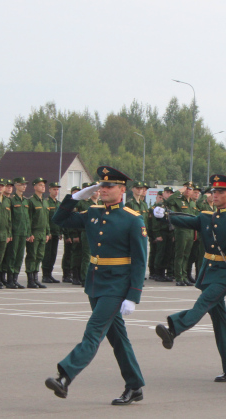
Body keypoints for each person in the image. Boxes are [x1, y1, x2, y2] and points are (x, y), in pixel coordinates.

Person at [45, 166, 147, 406]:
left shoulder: (133, 219)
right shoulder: (92, 213)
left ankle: (65, 377)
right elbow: (59, 220)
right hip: (96, 281)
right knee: (118, 339)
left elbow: (140, 260)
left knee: (93, 333)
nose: (103, 189)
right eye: (101, 185)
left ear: (122, 190)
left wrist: (133, 295)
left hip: (117, 285)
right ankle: (134, 386)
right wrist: (74, 198)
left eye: (109, 186)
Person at [153, 174, 226, 382]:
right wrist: (167, 215)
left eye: (220, 192)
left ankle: (174, 329)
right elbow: (188, 220)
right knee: (220, 323)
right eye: (213, 192)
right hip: (209, 272)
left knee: (203, 302)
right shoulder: (207, 217)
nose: (215, 195)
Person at [164, 181, 197, 286]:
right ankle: (179, 278)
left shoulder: (192, 203)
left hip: (190, 231)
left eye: (190, 189)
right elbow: (169, 201)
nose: (188, 191)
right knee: (180, 254)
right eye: (186, 188)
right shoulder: (178, 200)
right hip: (181, 230)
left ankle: (184, 276)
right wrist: (178, 192)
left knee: (187, 255)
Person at [24, 177, 50, 289]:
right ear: (34, 187)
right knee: (32, 255)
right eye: (40, 185)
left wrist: (48, 232)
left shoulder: (45, 202)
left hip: (43, 233)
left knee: (39, 256)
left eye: (44, 185)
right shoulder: (31, 201)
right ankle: (30, 280)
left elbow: (47, 219)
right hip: (34, 232)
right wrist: (29, 233)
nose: (43, 187)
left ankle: (35, 278)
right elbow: (28, 219)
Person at [41, 182, 62, 283]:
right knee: (47, 254)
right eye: (54, 189)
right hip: (49, 233)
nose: (56, 191)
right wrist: (47, 232)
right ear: (49, 190)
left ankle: (50, 274)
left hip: (56, 232)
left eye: (57, 189)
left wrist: (61, 231)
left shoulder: (58, 203)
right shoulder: (46, 202)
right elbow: (45, 218)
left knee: (53, 255)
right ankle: (45, 275)